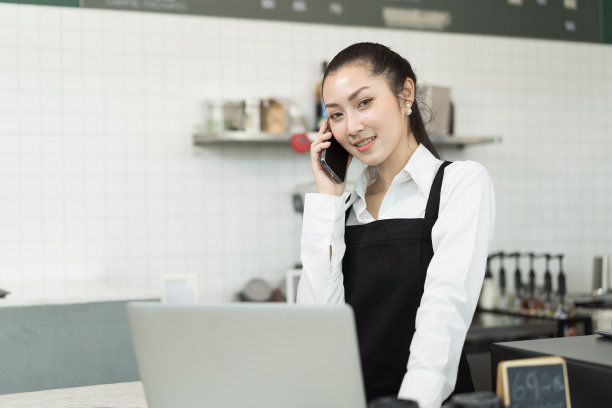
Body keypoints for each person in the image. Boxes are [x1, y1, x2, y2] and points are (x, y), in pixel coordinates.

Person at [297, 42, 496, 408]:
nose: (352, 127)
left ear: (405, 94)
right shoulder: (343, 206)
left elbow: (443, 317)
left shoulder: (458, 183)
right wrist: (326, 197)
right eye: (336, 115)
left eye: (363, 103)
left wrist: (410, 405)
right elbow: (318, 327)